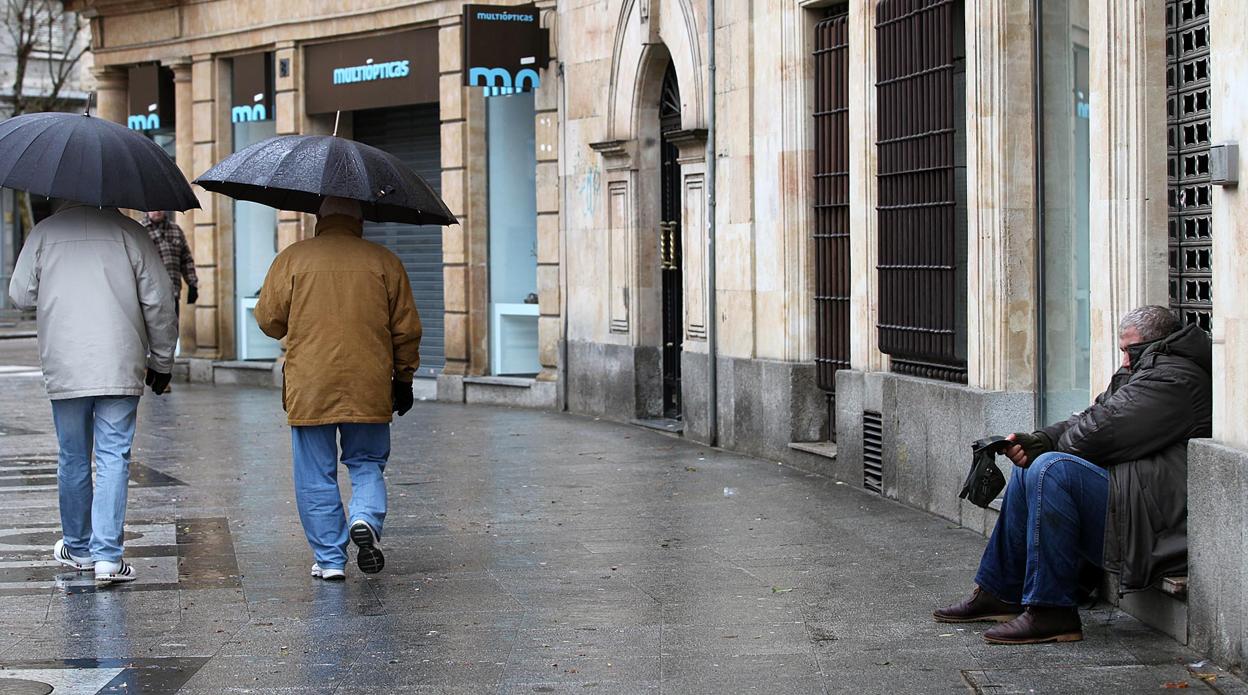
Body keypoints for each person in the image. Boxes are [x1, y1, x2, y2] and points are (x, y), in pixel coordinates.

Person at [935, 305, 1211, 644]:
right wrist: (1042, 439)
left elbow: (1097, 433)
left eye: (1130, 351)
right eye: (1122, 351)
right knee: (1029, 470)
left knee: (1051, 470)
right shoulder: (1142, 371)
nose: (1124, 360)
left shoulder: (1175, 379)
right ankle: (1000, 592)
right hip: (1135, 498)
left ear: (1157, 343)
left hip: (1157, 521)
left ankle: (1053, 610)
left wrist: (1047, 449)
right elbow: (1094, 415)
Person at [8, 199, 178, 584]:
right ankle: (108, 557)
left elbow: (20, 295)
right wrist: (162, 362)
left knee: (72, 456)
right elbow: (159, 302)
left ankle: (79, 547)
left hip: (65, 361)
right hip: (120, 360)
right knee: (113, 455)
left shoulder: (44, 233)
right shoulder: (131, 233)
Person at [254, 196, 421, 581]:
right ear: (360, 220)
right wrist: (405, 378)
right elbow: (406, 330)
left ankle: (330, 559)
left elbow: (269, 320)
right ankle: (364, 518)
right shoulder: (384, 261)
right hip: (371, 381)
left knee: (315, 472)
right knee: (367, 462)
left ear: (319, 219)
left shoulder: (293, 258)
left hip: (311, 384)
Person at [142, 210, 199, 315]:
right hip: (149, 296)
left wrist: (192, 284)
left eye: (160, 207)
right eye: (154, 208)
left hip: (173, 293)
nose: (158, 210)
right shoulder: (140, 230)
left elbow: (186, 259)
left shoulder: (176, 230)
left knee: (173, 329)